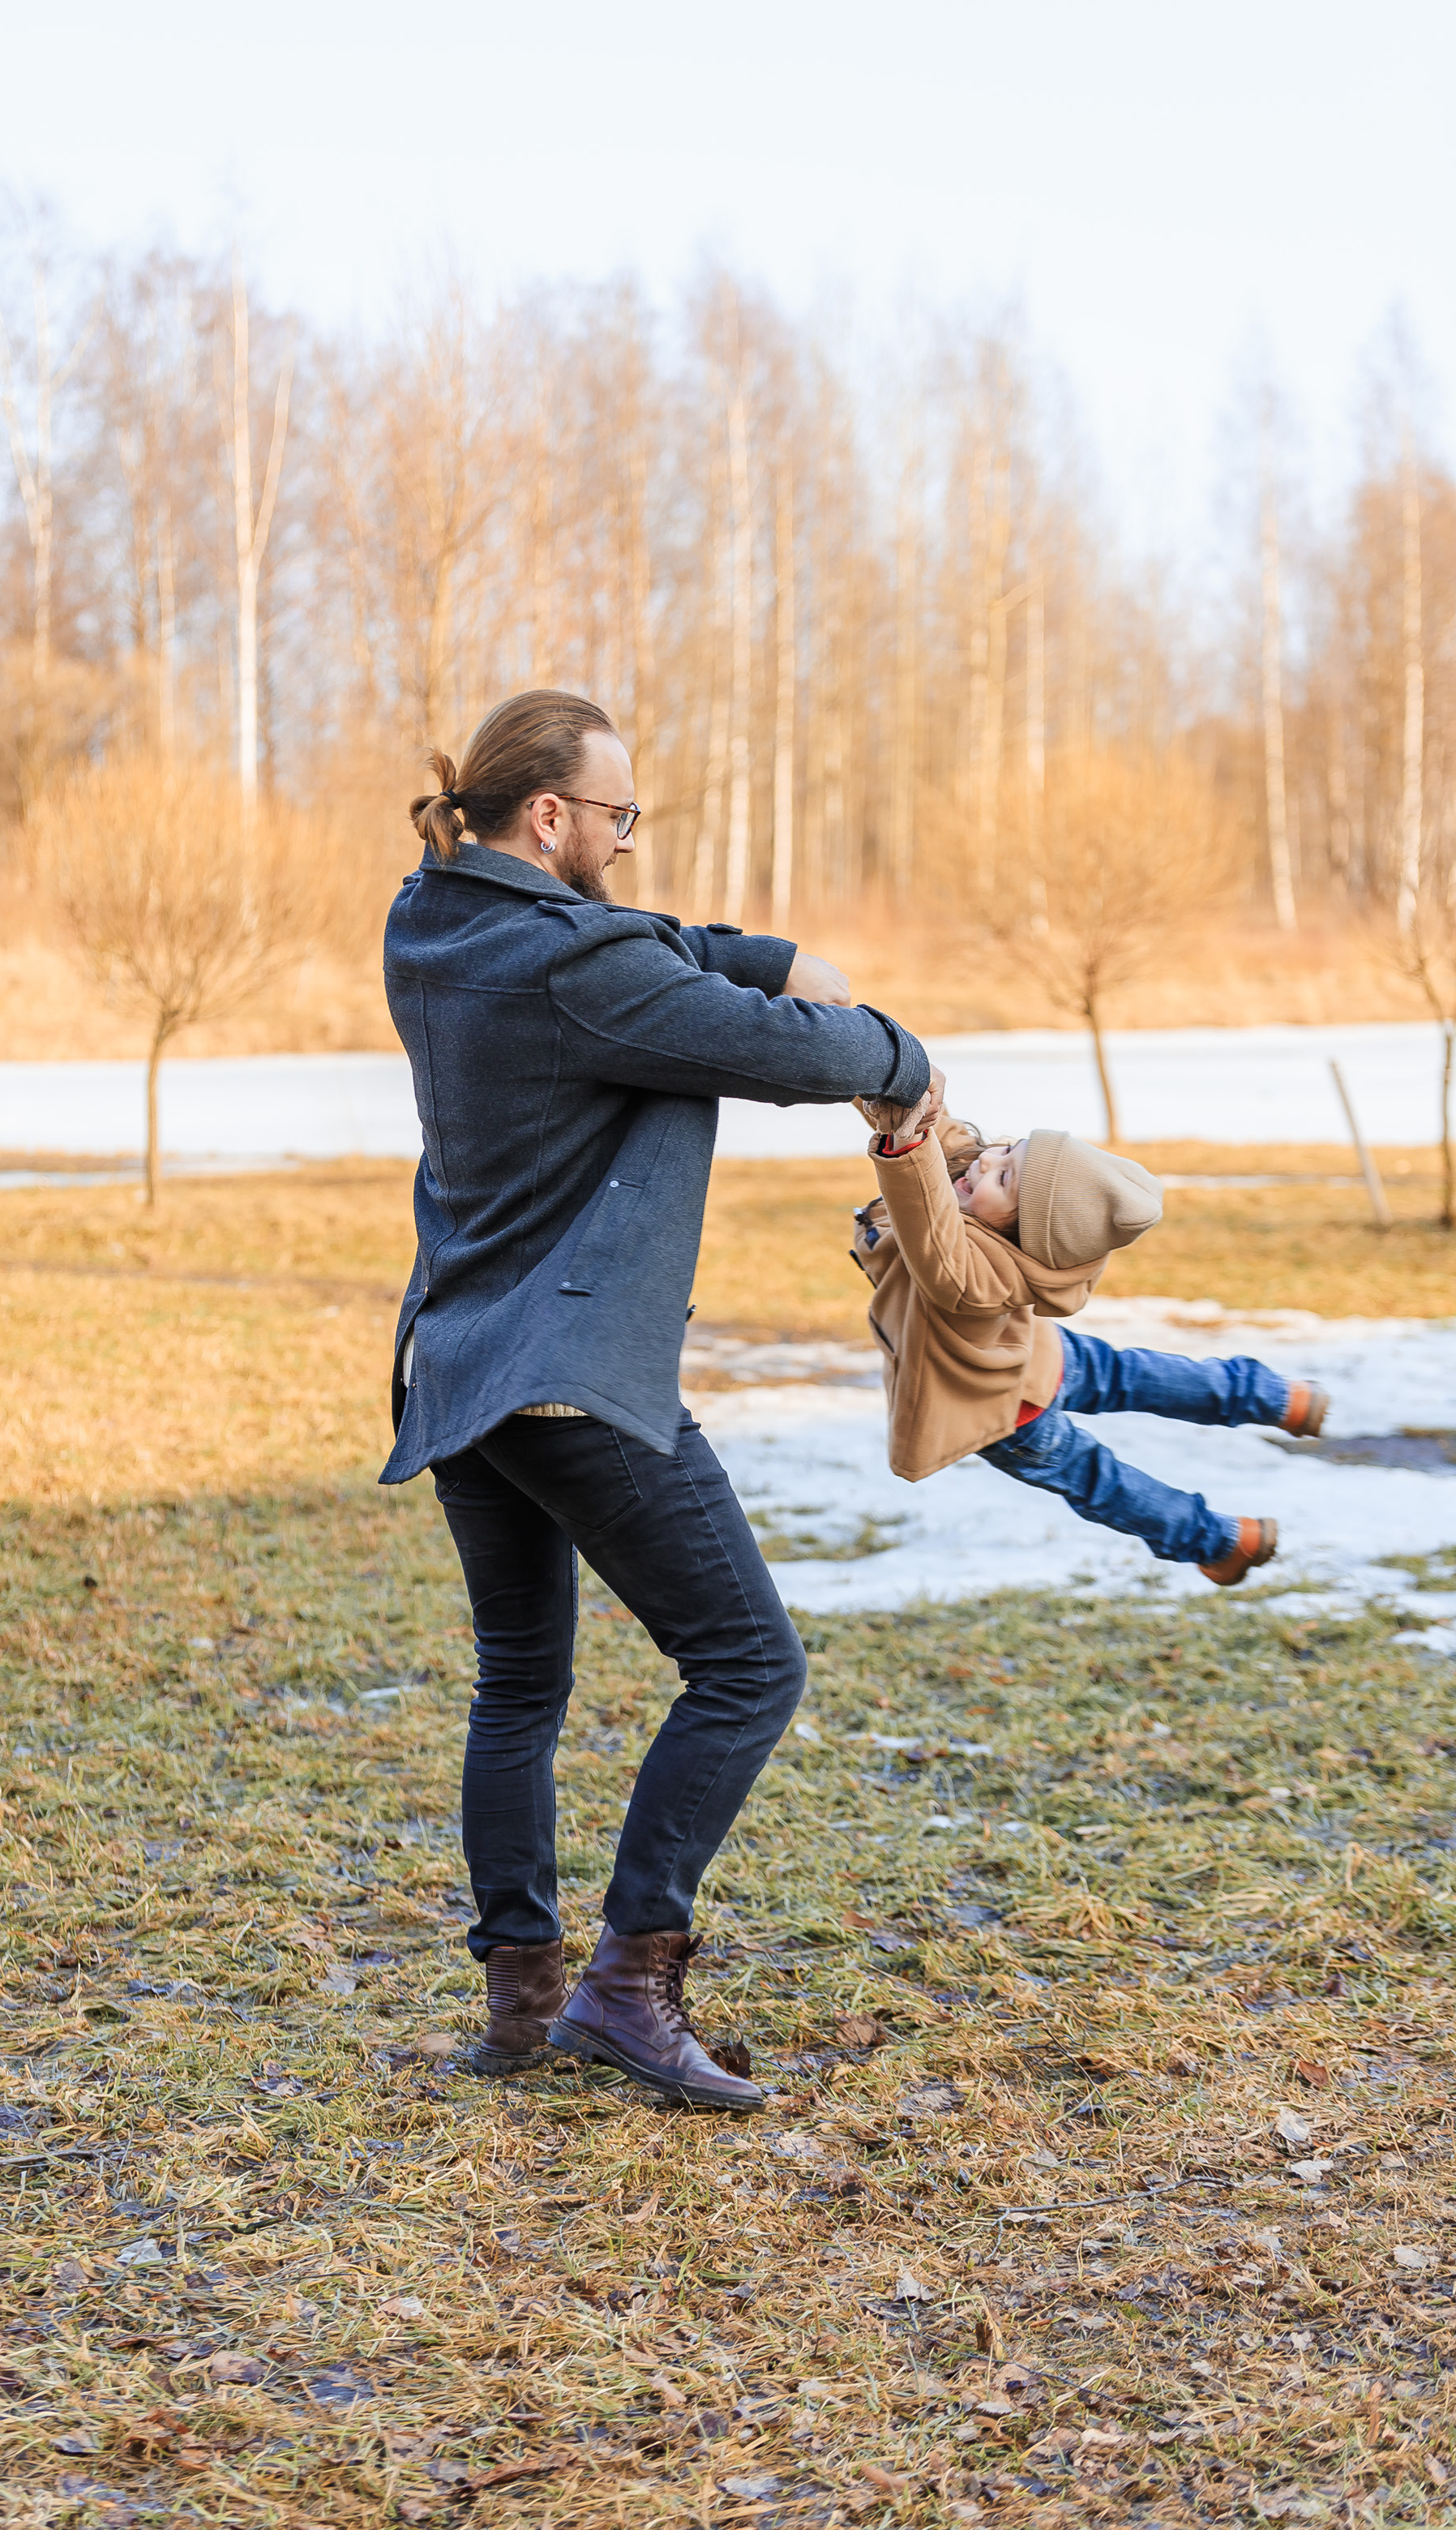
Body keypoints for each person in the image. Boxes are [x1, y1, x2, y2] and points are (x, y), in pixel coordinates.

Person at [381, 688, 934, 2112]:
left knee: (520, 1681)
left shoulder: (431, 920)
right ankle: (629, 1989)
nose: (628, 839)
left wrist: (777, 954)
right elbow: (787, 1050)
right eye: (617, 816)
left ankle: (520, 2004)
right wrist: (903, 1061)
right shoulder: (576, 970)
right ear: (548, 816)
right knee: (750, 1666)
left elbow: (653, 948)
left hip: (458, 1363)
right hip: (569, 1378)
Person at [850, 1085, 1329, 1581]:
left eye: (1005, 1176)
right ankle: (1276, 1398)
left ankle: (1222, 1542)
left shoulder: (966, 1267)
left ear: (1023, 1232)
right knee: (1134, 1375)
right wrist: (881, 1075)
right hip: (1038, 1355)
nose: (987, 1162)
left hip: (1004, 1412)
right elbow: (931, 1128)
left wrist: (906, 1149)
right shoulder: (971, 1181)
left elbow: (929, 1225)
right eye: (1007, 1151)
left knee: (1098, 1481)